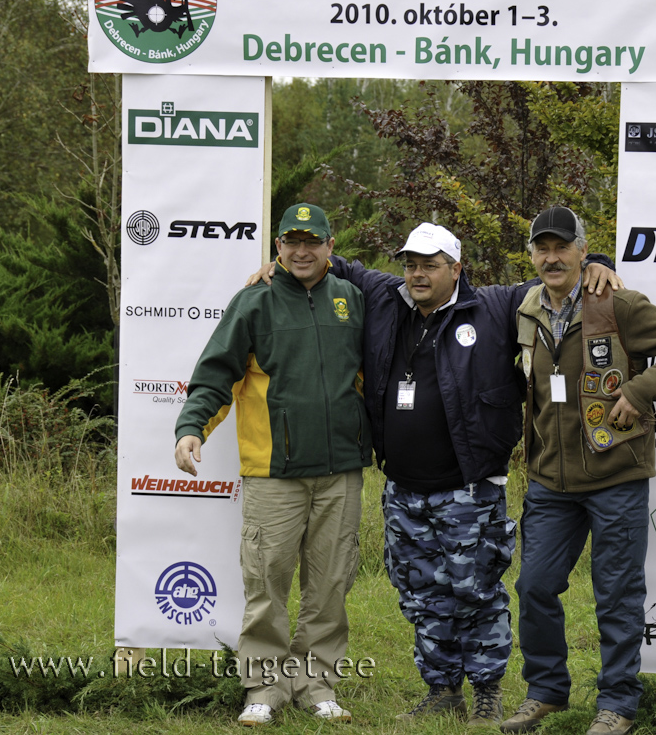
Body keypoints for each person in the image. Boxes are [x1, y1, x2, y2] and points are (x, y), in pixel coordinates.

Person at [246, 221, 620, 726]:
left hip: (470, 486)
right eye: (411, 264)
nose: (417, 274)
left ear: (456, 268)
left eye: (430, 265)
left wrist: (598, 265)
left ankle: (486, 692)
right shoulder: (386, 298)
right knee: (421, 595)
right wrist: (280, 264)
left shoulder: (494, 306)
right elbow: (334, 262)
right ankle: (442, 689)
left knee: (476, 592)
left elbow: (555, 278)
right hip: (404, 488)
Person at [505, 207, 656, 735]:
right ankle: (546, 692)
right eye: (542, 248)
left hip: (615, 475)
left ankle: (617, 704)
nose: (552, 258)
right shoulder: (526, 308)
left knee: (616, 595)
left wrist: (638, 393)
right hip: (550, 480)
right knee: (534, 586)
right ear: (532, 255)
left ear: (581, 250)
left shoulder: (618, 304)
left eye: (562, 247)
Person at [173, 204, 370, 727]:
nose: (301, 251)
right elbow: (216, 374)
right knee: (266, 584)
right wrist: (192, 427)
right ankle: (263, 686)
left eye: (312, 241)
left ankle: (316, 684)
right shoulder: (254, 301)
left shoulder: (352, 299)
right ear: (277, 247)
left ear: (330, 247)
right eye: (291, 241)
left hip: (341, 469)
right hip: (272, 472)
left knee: (331, 585)